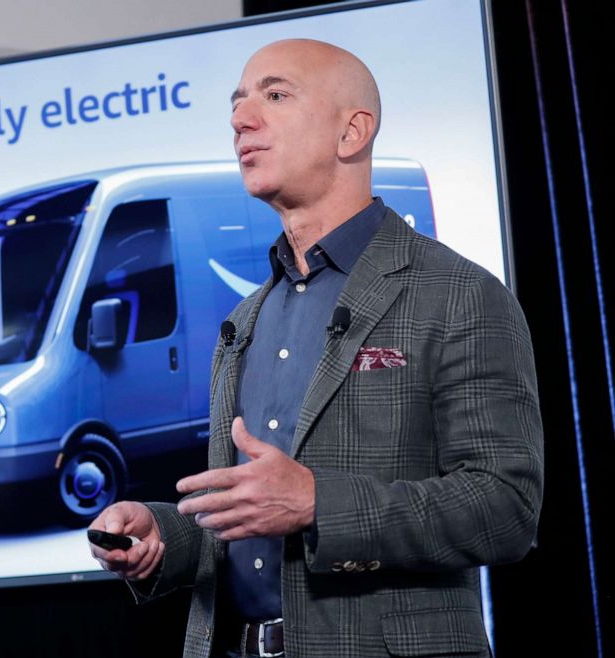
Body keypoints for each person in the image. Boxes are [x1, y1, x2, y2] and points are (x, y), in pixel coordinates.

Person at [88, 38, 544, 658]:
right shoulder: (243, 322)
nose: (241, 119)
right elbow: (244, 530)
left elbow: (506, 507)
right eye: (239, 103)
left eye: (275, 95)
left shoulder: (459, 295)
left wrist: (316, 503)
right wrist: (161, 536)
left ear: (352, 132)